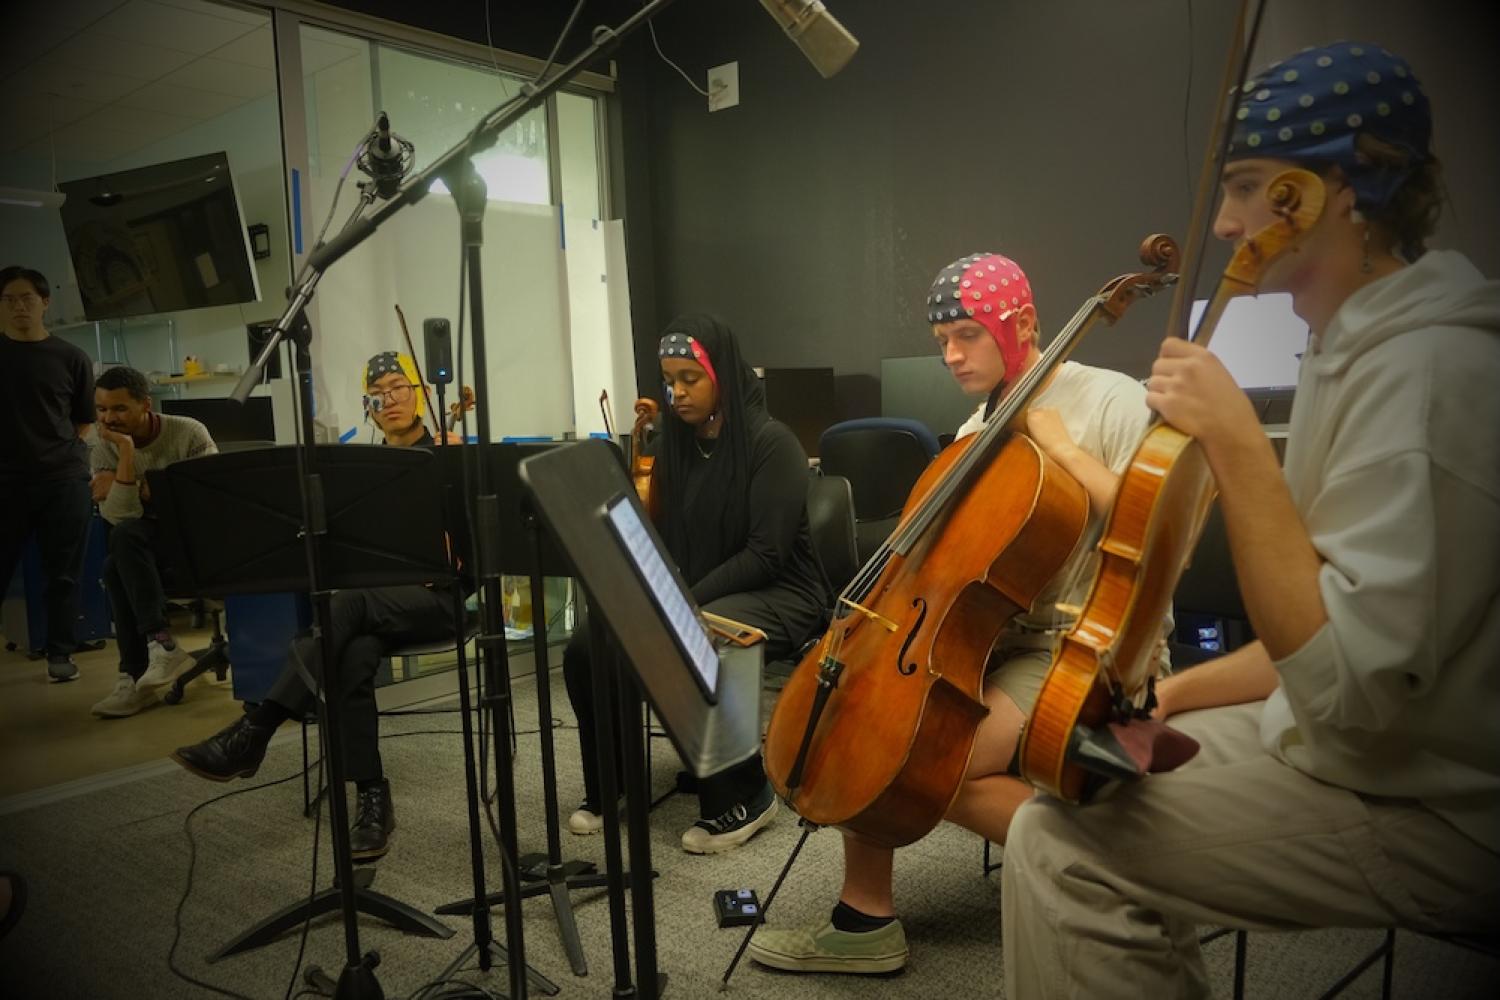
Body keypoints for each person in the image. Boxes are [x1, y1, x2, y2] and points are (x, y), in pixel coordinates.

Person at [1000, 42, 1500, 999]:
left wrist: (1234, 440)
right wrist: (1175, 698)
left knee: (1068, 850)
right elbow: (1328, 641)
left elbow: (1349, 689)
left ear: (1335, 192)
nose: (1226, 223)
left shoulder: (1426, 379)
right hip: (1353, 740)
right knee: (1060, 806)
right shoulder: (1350, 349)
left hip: (1441, 800)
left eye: (1247, 188)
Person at [748, 252, 1163, 975]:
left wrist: (1059, 445)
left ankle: (1117, 869)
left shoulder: (1110, 400)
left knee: (923, 758)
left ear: (1025, 323)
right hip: (996, 635)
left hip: (1084, 641)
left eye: (966, 335)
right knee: (869, 713)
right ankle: (865, 920)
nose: (950, 354)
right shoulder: (979, 425)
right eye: (942, 340)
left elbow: (1152, 533)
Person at [169, 352, 464, 861]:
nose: (389, 399)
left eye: (398, 387)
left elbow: (472, 551)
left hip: (439, 600)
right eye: (379, 394)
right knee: (350, 655)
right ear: (367, 406)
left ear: (417, 392)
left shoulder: (447, 454)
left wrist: (456, 471)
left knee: (343, 608)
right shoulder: (361, 470)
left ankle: (257, 727)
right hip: (373, 608)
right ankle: (373, 794)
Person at [563, 315, 831, 854]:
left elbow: (767, 553)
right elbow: (666, 538)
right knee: (588, 643)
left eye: (690, 378)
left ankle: (746, 793)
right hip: (707, 587)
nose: (677, 392)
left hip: (784, 592)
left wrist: (681, 599)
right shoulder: (676, 445)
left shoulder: (771, 442)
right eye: (669, 379)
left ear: (723, 377)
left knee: (691, 638)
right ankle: (614, 782)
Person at [88, 365, 218, 718]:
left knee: (120, 556)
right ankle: (153, 655)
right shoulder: (103, 446)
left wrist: (130, 484)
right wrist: (127, 454)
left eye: (119, 409)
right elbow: (121, 517)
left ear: (145, 404)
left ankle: (138, 670)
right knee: (117, 556)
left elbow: (206, 501)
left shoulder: (189, 432)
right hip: (144, 550)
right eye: (101, 409)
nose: (108, 418)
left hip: (197, 543)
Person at [0, 266, 95, 682]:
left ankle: (60, 654)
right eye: (9, 299)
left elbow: (82, 422)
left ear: (44, 302)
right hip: (5, 482)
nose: (19, 306)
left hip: (63, 480)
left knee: (63, 573)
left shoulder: (71, 357)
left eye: (27, 298)